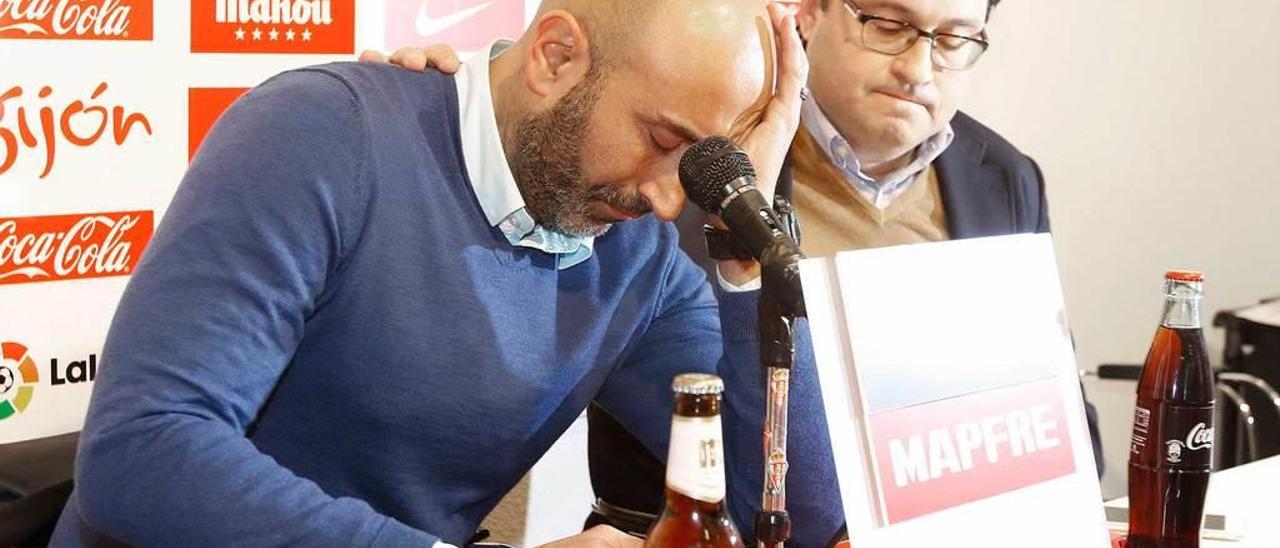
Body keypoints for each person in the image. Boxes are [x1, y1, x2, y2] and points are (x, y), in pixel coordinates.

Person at [49, 1, 810, 546]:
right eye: (661, 138)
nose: (669, 194)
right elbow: (143, 450)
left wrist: (745, 257)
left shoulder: (636, 255)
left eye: (705, 160)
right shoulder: (321, 133)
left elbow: (797, 509)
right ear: (553, 56)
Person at [380, 0, 1105, 545]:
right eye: (886, 23)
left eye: (952, 40)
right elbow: (561, 132)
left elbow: (1064, 430)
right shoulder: (695, 157)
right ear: (812, 14)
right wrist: (464, 103)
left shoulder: (1005, 176)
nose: (917, 68)